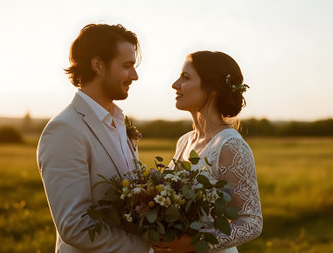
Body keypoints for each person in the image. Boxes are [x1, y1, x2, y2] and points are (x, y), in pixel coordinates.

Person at [37, 23, 150, 253]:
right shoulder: (64, 130)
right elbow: (75, 226)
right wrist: (149, 248)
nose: (135, 76)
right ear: (98, 65)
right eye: (127, 66)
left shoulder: (120, 123)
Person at [154, 51, 263, 253]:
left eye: (185, 78)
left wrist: (195, 244)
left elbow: (252, 221)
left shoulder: (229, 145)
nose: (175, 84)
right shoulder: (185, 141)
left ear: (212, 89)